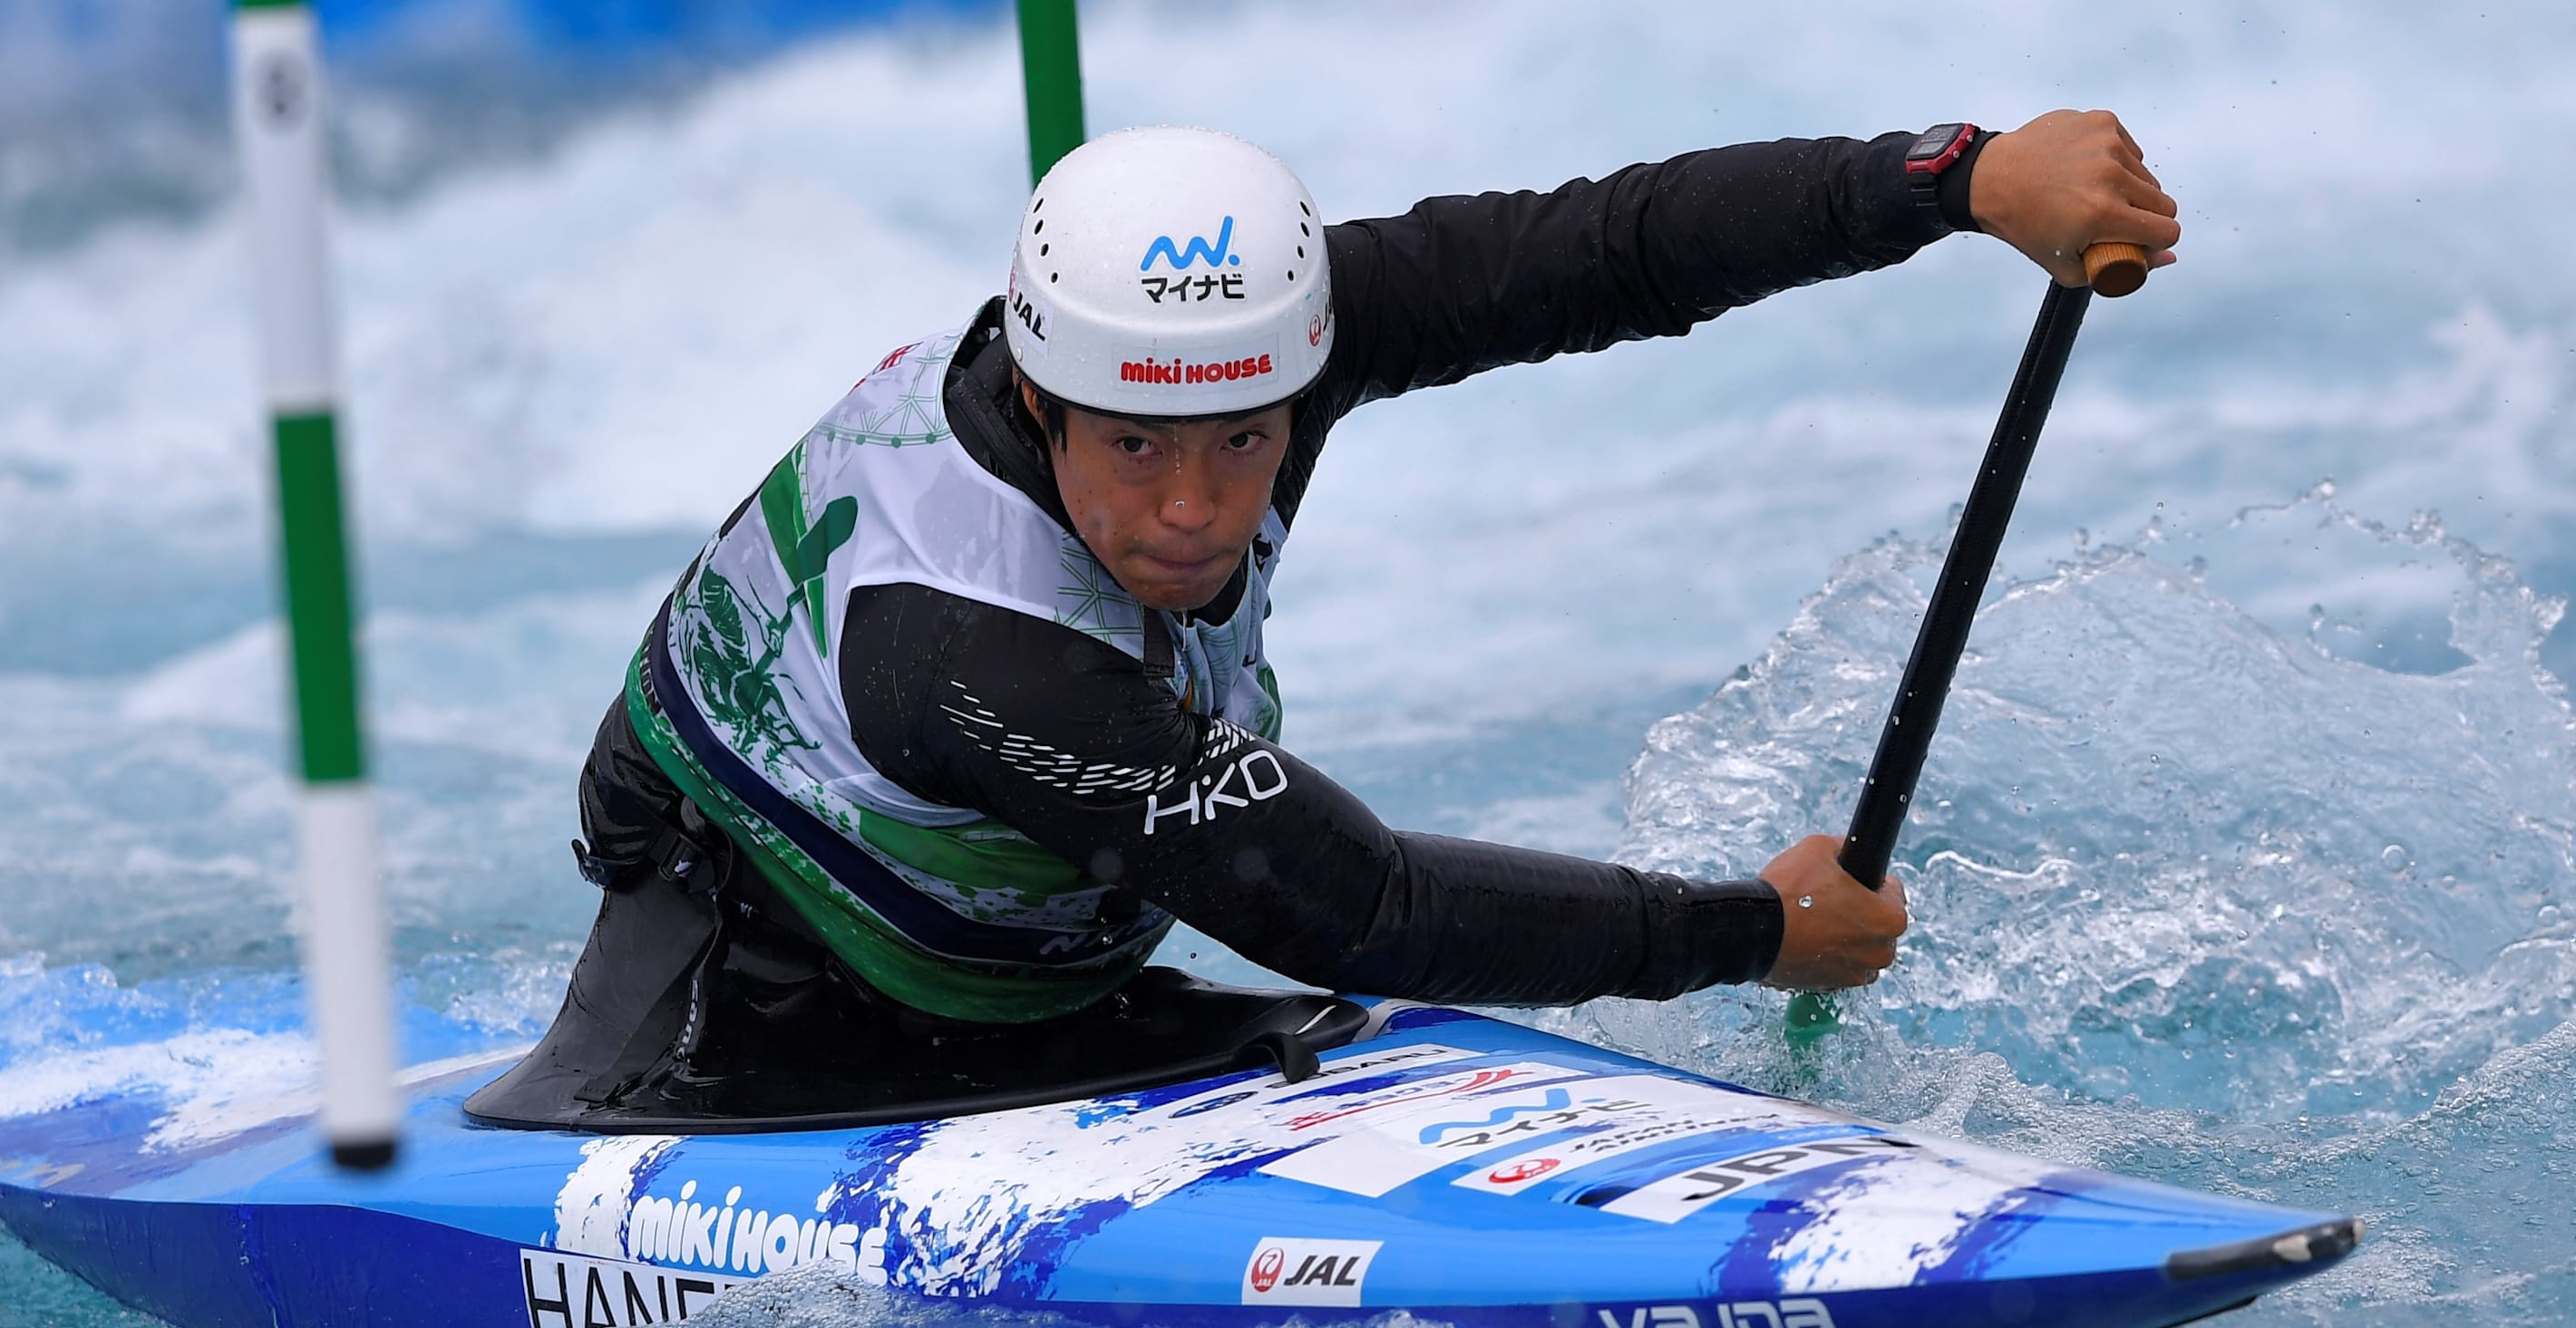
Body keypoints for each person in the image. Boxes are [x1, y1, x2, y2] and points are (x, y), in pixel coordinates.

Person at [499, 111, 2181, 1115]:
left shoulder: (1251, 339)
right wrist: (1750, 932)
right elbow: (1349, 905)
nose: (1191, 508)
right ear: (1040, 389)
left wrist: (1952, 179)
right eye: (1138, 450)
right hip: (746, 1034)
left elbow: (1602, 253)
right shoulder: (972, 650)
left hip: (1018, 955)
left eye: (1246, 442)